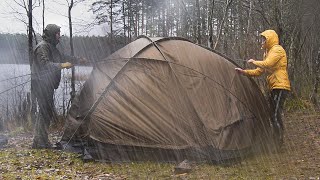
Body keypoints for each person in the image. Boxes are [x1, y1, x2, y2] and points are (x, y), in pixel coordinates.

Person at [235, 29, 291, 147]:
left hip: (281, 86)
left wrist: (254, 61)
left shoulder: (277, 49)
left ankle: (279, 142)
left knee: (275, 114)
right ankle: (275, 140)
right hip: (273, 86)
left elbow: (268, 64)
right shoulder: (267, 52)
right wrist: (244, 72)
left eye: (264, 39)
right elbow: (259, 71)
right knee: (271, 113)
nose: (262, 41)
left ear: (270, 38)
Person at [31, 24, 77, 149]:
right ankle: (40, 141)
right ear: (52, 34)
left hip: (47, 84)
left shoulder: (51, 47)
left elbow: (63, 58)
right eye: (57, 33)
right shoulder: (42, 47)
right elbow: (45, 64)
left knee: (47, 111)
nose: (59, 36)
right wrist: (62, 65)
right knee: (45, 111)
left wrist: (77, 60)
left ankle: (39, 141)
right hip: (40, 83)